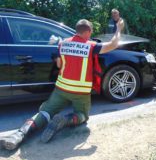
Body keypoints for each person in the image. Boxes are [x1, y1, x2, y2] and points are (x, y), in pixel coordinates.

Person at [0, 18, 124, 150]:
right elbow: (113, 44)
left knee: (45, 112)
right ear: (87, 32)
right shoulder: (90, 46)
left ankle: (19, 134)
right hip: (80, 92)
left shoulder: (63, 44)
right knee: (82, 115)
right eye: (91, 31)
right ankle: (65, 120)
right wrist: (119, 28)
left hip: (61, 88)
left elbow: (59, 65)